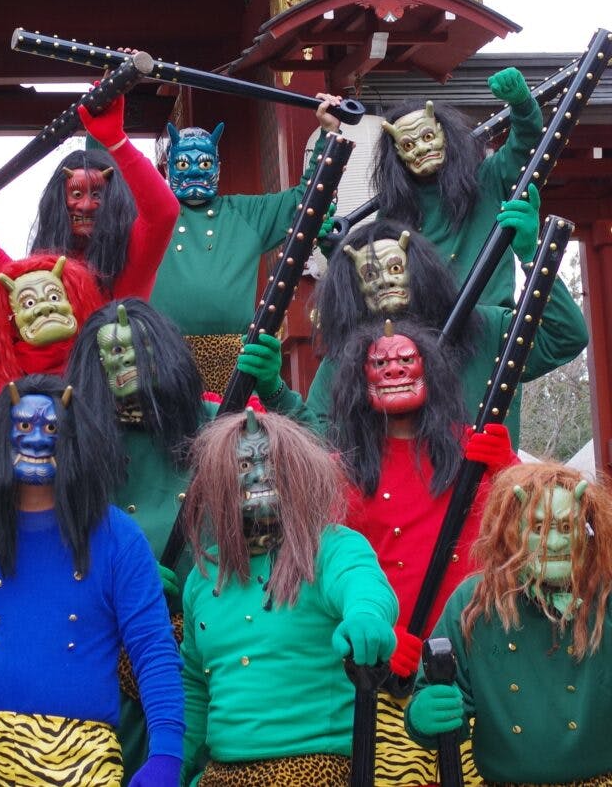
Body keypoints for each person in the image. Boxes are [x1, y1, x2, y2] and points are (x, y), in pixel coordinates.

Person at [66, 298, 313, 782]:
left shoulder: (219, 421)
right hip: (118, 652)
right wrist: (114, 582)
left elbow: (316, 468)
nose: (124, 362)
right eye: (109, 353)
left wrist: (276, 391)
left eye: (135, 348)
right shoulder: (79, 448)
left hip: (225, 642)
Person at [0, 374, 183, 785]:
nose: (36, 439)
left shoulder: (119, 539)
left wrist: (167, 752)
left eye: (51, 427)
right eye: (23, 425)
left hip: (88, 765)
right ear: (1, 437)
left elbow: (153, 649)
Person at [330, 319, 521, 786]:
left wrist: (509, 472)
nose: (394, 370)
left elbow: (533, 531)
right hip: (392, 675)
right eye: (379, 362)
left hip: (481, 661)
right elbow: (327, 568)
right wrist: (382, 635)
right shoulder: (342, 468)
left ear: (430, 369)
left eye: (405, 359)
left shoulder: (473, 447)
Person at [180, 409, 397, 786]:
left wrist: (366, 616)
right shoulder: (203, 577)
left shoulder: (330, 548)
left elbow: (361, 581)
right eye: (244, 464)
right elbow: (195, 688)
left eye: (272, 462)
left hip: (314, 767)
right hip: (220, 772)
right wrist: (171, 765)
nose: (259, 474)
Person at [305, 186, 589, 446]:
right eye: (370, 275)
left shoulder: (484, 328)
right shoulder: (347, 356)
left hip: (482, 484)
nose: (385, 282)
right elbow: (315, 439)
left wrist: (534, 257)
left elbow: (565, 336)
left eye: (395, 268)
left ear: (418, 270)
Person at [405, 463, 612, 785]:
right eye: (539, 527)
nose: (555, 542)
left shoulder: (606, 596)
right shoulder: (474, 602)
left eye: (566, 526)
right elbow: (435, 693)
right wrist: (426, 714)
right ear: (511, 531)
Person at [149, 94, 342, 390]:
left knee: (239, 420)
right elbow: (104, 195)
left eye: (205, 162)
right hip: (164, 355)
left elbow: (304, 200)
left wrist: (328, 132)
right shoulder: (151, 217)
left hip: (235, 358)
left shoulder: (245, 213)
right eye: (183, 163)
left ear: (218, 166)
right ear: (167, 168)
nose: (195, 171)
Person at [0, 94, 179, 301]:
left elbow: (164, 211)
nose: (86, 205)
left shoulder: (133, 255)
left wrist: (117, 141)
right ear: (58, 202)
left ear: (113, 199)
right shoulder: (47, 267)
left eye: (97, 194)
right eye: (76, 194)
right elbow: (13, 279)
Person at [372, 68, 542, 308]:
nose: (421, 149)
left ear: (444, 134)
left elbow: (525, 146)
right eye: (409, 144)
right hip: (425, 327)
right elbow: (370, 269)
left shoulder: (487, 178)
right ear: (397, 154)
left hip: (489, 320)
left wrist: (522, 105)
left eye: (427, 137)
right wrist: (333, 243)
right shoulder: (394, 209)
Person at [0, 255, 102, 477]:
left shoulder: (99, 362)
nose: (44, 308)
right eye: (29, 303)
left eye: (53, 296)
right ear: (11, 318)